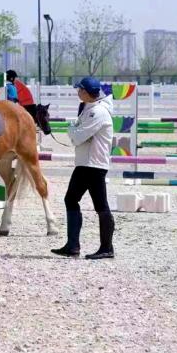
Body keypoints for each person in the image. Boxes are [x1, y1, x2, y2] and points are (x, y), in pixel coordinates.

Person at [52, 76, 116, 260]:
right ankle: (73, 245)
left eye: (79, 90)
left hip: (93, 164)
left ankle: (106, 247)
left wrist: (73, 130)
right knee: (70, 199)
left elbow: (76, 137)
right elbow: (77, 134)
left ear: (87, 92)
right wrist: (75, 131)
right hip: (84, 163)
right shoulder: (88, 109)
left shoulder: (98, 112)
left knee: (100, 205)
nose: (77, 92)